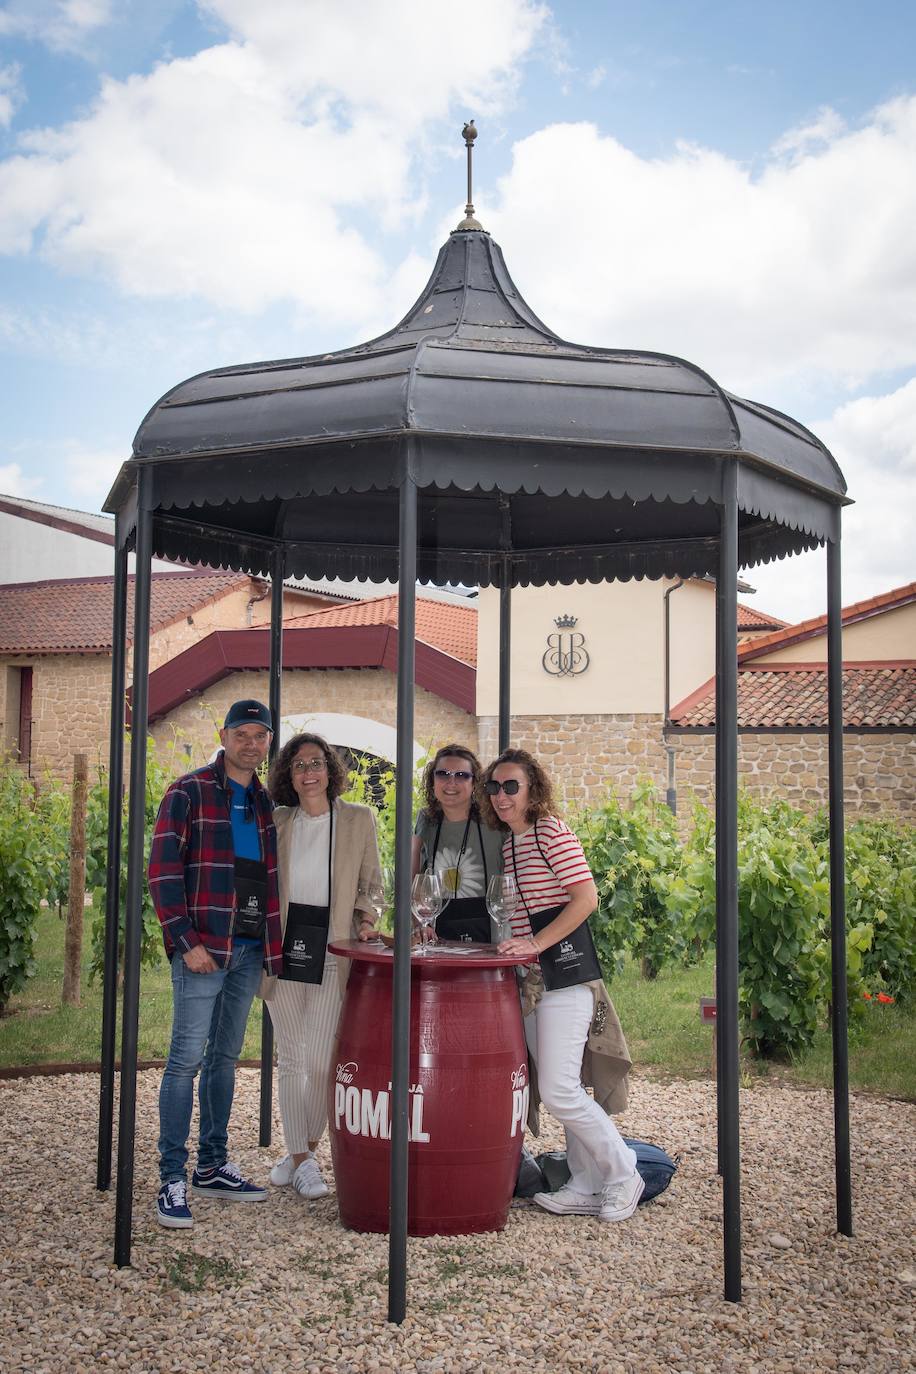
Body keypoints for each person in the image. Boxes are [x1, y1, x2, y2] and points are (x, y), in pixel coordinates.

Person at [480, 747, 643, 1223]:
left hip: (566, 979)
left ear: (532, 790)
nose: (501, 795)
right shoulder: (511, 844)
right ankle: (584, 1182)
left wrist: (533, 942)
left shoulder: (551, 831)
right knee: (564, 1083)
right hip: (532, 983)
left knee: (558, 1091)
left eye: (512, 786)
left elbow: (585, 898)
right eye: (494, 787)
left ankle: (622, 1173)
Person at [148, 698, 282, 1229]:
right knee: (185, 1061)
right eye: (242, 733)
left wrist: (270, 948)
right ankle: (171, 1178)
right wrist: (187, 942)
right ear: (223, 735)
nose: (252, 743)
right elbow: (162, 874)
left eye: (260, 735)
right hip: (205, 950)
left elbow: (266, 881)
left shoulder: (266, 802)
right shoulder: (188, 791)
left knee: (225, 1058)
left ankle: (211, 1164)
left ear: (268, 742)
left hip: (248, 949)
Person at [260, 732, 382, 1200]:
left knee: (319, 1058)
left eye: (316, 763)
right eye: (298, 765)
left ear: (331, 771)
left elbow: (372, 885)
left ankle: (300, 1150)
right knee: (291, 1054)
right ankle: (302, 1158)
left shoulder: (358, 820)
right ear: (288, 777)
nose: (308, 772)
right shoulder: (276, 822)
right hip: (283, 949)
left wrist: (369, 918)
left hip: (332, 948)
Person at [412, 743, 504, 943]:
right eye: (443, 774)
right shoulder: (426, 820)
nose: (451, 782)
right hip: (437, 935)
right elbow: (412, 880)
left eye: (462, 775)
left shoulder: (494, 820)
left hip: (493, 935)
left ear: (475, 783)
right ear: (432, 780)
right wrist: (419, 925)